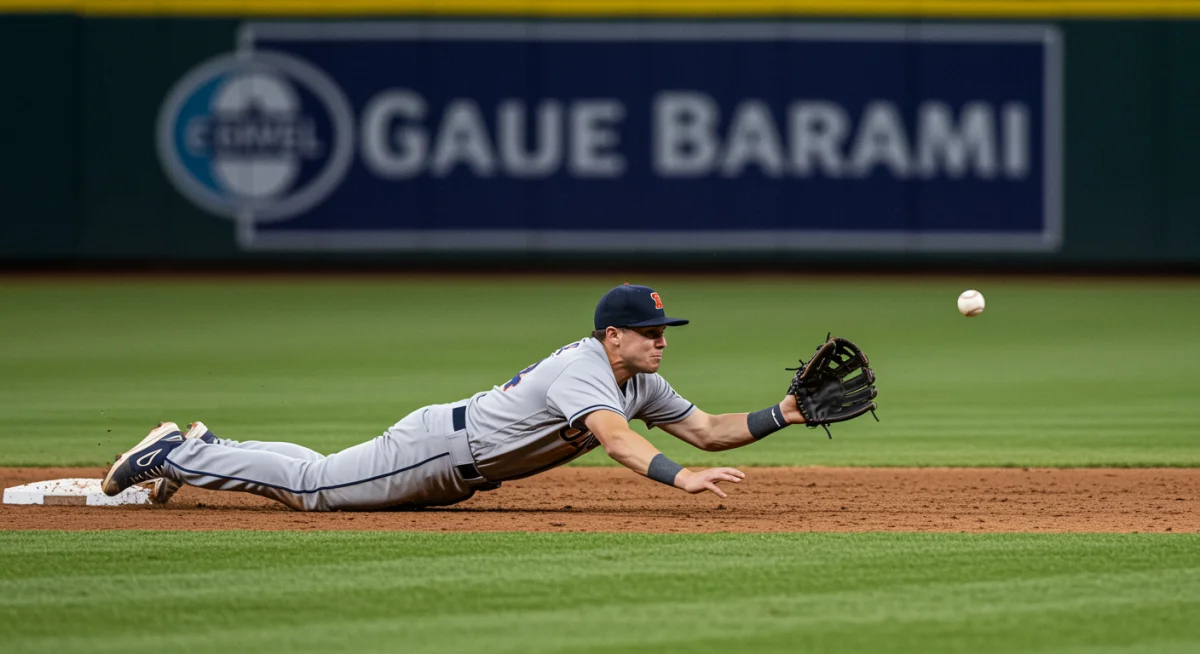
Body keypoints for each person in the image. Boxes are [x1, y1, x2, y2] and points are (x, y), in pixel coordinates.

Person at [102, 284, 810, 511]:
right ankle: (179, 453)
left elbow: (711, 429)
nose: (661, 341)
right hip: (442, 447)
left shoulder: (637, 380)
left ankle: (200, 448)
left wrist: (785, 413)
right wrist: (680, 478)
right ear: (612, 333)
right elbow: (618, 439)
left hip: (457, 462)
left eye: (665, 331)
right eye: (649, 332)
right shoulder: (586, 370)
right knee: (315, 489)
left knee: (321, 471)